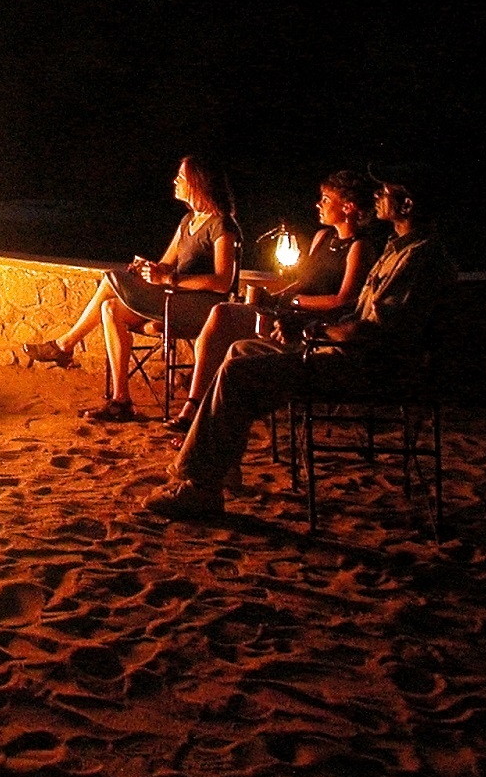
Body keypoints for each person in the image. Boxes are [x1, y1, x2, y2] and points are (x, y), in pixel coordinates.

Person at [143, 168, 456, 520]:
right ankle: (217, 465)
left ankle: (198, 486)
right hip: (345, 352)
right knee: (240, 350)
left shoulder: (418, 259)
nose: (377, 195)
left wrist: (311, 331)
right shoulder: (397, 249)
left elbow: (372, 330)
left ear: (407, 204)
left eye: (385, 191)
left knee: (238, 373)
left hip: (364, 367)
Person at [23, 155, 240, 422]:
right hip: (173, 300)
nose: (175, 181)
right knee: (110, 308)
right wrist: (150, 270)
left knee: (110, 278)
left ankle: (64, 344)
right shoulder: (188, 222)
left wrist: (170, 281)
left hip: (201, 308)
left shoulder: (222, 225)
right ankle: (120, 401)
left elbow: (222, 282)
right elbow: (165, 265)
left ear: (198, 183)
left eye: (181, 177)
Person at [161, 169, 376, 434]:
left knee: (224, 317)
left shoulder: (359, 247)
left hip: (313, 324)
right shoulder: (323, 237)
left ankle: (198, 407)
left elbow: (344, 300)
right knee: (223, 316)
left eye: (325, 198)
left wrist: (295, 302)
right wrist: (277, 296)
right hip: (290, 311)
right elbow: (303, 280)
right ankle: (199, 403)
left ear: (348, 207)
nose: (318, 204)